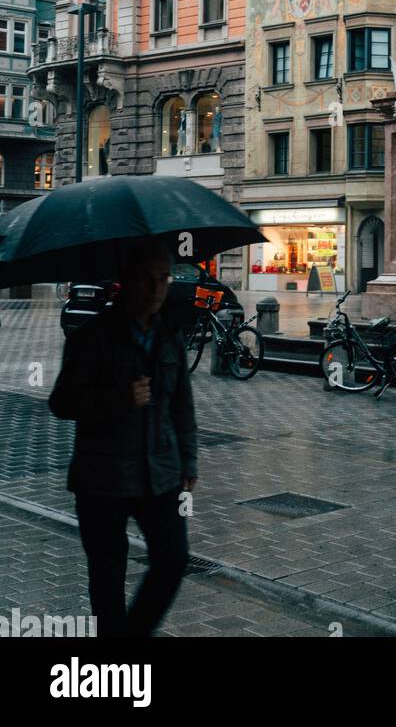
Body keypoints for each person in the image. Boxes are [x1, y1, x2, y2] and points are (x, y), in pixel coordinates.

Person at [49, 240, 198, 638]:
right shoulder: (92, 336)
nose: (156, 289)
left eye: (163, 278)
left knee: (173, 560)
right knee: (107, 579)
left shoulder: (170, 335)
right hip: (103, 479)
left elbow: (182, 403)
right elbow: (61, 402)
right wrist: (115, 397)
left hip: (159, 472)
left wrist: (189, 460)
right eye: (147, 279)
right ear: (126, 282)